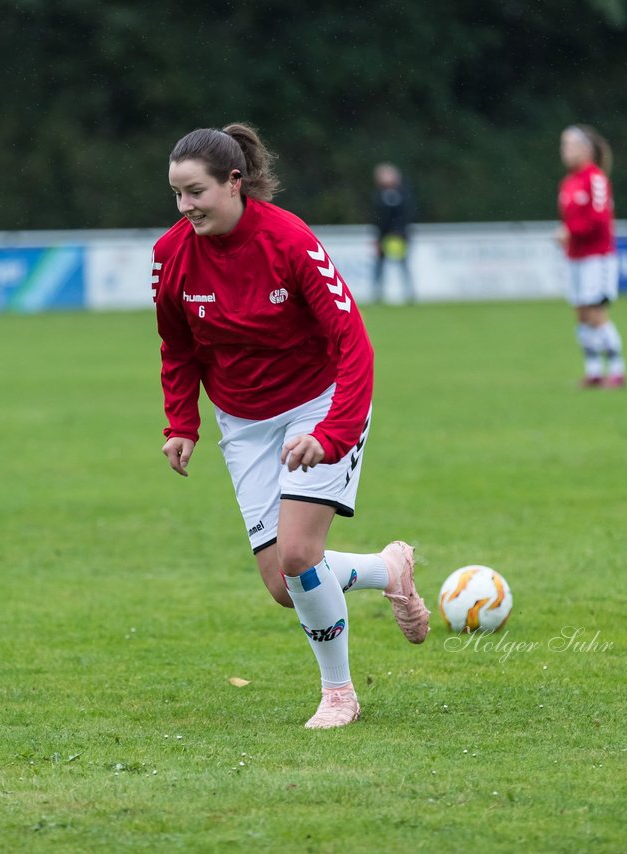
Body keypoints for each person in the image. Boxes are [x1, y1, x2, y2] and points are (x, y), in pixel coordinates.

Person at [152, 123, 429, 729]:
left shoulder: (290, 241)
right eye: (176, 194)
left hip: (318, 402)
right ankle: (390, 569)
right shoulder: (170, 256)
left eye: (195, 191)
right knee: (284, 584)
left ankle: (339, 694)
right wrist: (183, 423)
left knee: (302, 555)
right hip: (243, 422)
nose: (185, 207)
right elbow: (176, 346)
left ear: (234, 182)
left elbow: (353, 341)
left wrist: (332, 433)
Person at [556, 124, 626, 388]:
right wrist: (568, 237)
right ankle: (594, 370)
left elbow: (599, 220)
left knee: (596, 313)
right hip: (575, 257)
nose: (565, 151)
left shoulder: (594, 178)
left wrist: (569, 232)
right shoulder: (568, 183)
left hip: (597, 257)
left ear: (586, 149)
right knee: (581, 314)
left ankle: (617, 371)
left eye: (569, 145)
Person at [371, 162, 416, 303]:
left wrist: (399, 233)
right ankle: (377, 295)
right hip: (383, 237)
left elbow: (406, 216)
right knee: (379, 267)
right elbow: (377, 219)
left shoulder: (403, 194)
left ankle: (409, 294)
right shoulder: (378, 196)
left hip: (399, 236)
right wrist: (378, 239)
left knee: (403, 265)